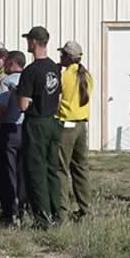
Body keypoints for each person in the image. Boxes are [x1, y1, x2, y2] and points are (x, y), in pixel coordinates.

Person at [17, 26, 62, 230]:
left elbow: (23, 105)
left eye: (29, 40)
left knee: (36, 171)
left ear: (34, 42)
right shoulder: (54, 67)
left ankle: (42, 219)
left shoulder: (31, 70)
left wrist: (15, 95)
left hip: (36, 124)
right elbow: (59, 98)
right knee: (52, 170)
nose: (27, 43)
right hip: (53, 121)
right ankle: (56, 213)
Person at [56, 41, 94, 222]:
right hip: (81, 125)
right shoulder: (86, 75)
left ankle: (62, 211)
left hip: (66, 125)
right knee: (81, 168)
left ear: (67, 57)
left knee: (61, 168)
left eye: (62, 55)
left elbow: (57, 98)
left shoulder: (64, 77)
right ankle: (85, 209)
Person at [0, 51, 26, 228]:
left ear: (12, 63)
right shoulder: (28, 79)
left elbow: (1, 109)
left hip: (9, 129)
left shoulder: (7, 81)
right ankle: (23, 210)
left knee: (7, 173)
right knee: (22, 173)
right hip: (25, 129)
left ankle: (9, 213)